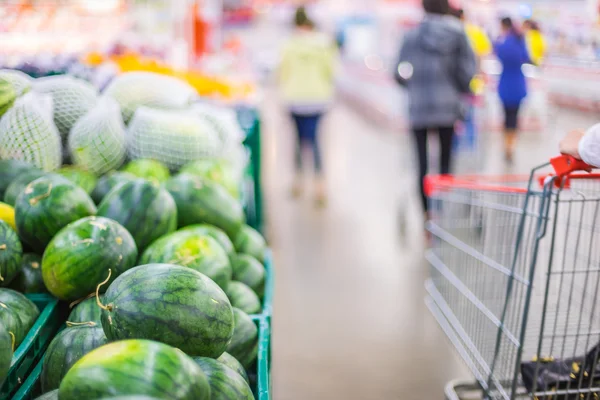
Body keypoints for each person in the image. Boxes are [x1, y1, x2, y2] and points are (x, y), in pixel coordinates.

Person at [395, 0, 476, 219]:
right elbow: (468, 72)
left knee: (421, 165)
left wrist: (411, 84)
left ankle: (426, 216)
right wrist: (459, 87)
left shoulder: (411, 35)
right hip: (448, 107)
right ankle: (442, 210)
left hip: (419, 107)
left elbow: (399, 71)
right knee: (445, 162)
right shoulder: (459, 33)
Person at [279, 7, 337, 206]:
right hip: (318, 99)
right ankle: (320, 186)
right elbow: (331, 71)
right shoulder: (324, 44)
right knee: (315, 141)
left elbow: (283, 72)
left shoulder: (289, 45)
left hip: (294, 98)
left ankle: (298, 182)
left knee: (297, 140)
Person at [494, 17, 530, 163]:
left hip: (505, 84)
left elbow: (496, 52)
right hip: (518, 84)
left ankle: (506, 145)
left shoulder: (502, 43)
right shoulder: (520, 41)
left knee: (506, 117)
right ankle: (510, 146)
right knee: (514, 118)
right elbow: (526, 57)